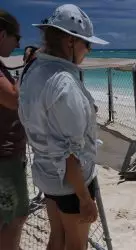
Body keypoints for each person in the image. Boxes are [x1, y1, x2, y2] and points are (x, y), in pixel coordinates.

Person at [18, 4, 109, 250]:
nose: (88, 51)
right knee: (77, 245)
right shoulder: (65, 84)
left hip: (47, 176)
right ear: (70, 41)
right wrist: (84, 198)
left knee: (57, 237)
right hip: (71, 183)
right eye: (86, 44)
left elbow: (44, 119)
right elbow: (69, 153)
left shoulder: (33, 70)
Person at [0, 9, 29, 250]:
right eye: (17, 38)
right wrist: (26, 68)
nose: (18, 44)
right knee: (14, 216)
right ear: (1, 34)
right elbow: (14, 100)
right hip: (4, 161)